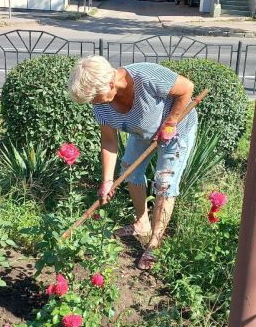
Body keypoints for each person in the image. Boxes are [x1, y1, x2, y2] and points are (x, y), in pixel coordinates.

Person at [69, 56, 197, 270]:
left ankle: (154, 243)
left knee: (164, 182)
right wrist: (107, 181)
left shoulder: (146, 76)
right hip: (142, 132)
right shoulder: (101, 105)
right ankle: (142, 223)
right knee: (129, 169)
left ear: (110, 84)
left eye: (96, 97)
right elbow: (109, 141)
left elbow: (187, 88)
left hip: (176, 129)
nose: (94, 103)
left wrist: (171, 122)